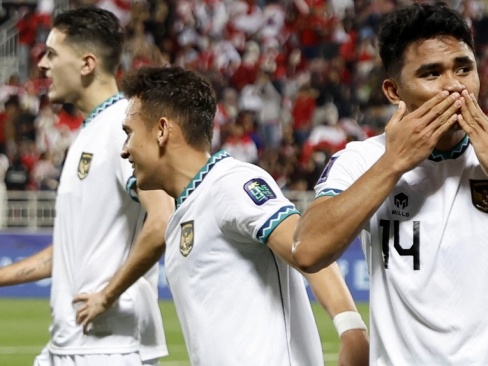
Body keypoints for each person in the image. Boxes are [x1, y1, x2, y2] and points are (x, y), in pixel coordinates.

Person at [292, 3, 488, 365]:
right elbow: (308, 249)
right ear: (393, 91)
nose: (455, 87)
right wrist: (395, 163)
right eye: (432, 74)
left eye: (464, 68)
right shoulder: (362, 161)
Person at [118, 66, 369, 366]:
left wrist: (350, 328)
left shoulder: (230, 183)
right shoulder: (183, 213)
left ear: (162, 130)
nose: (124, 150)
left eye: (129, 133)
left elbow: (305, 245)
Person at [0, 8, 173, 365]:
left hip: (109, 348)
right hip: (72, 344)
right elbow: (71, 250)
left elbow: (162, 220)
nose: (43, 65)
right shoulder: (93, 131)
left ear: (86, 64)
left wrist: (107, 296)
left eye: (52, 53)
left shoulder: (124, 127)